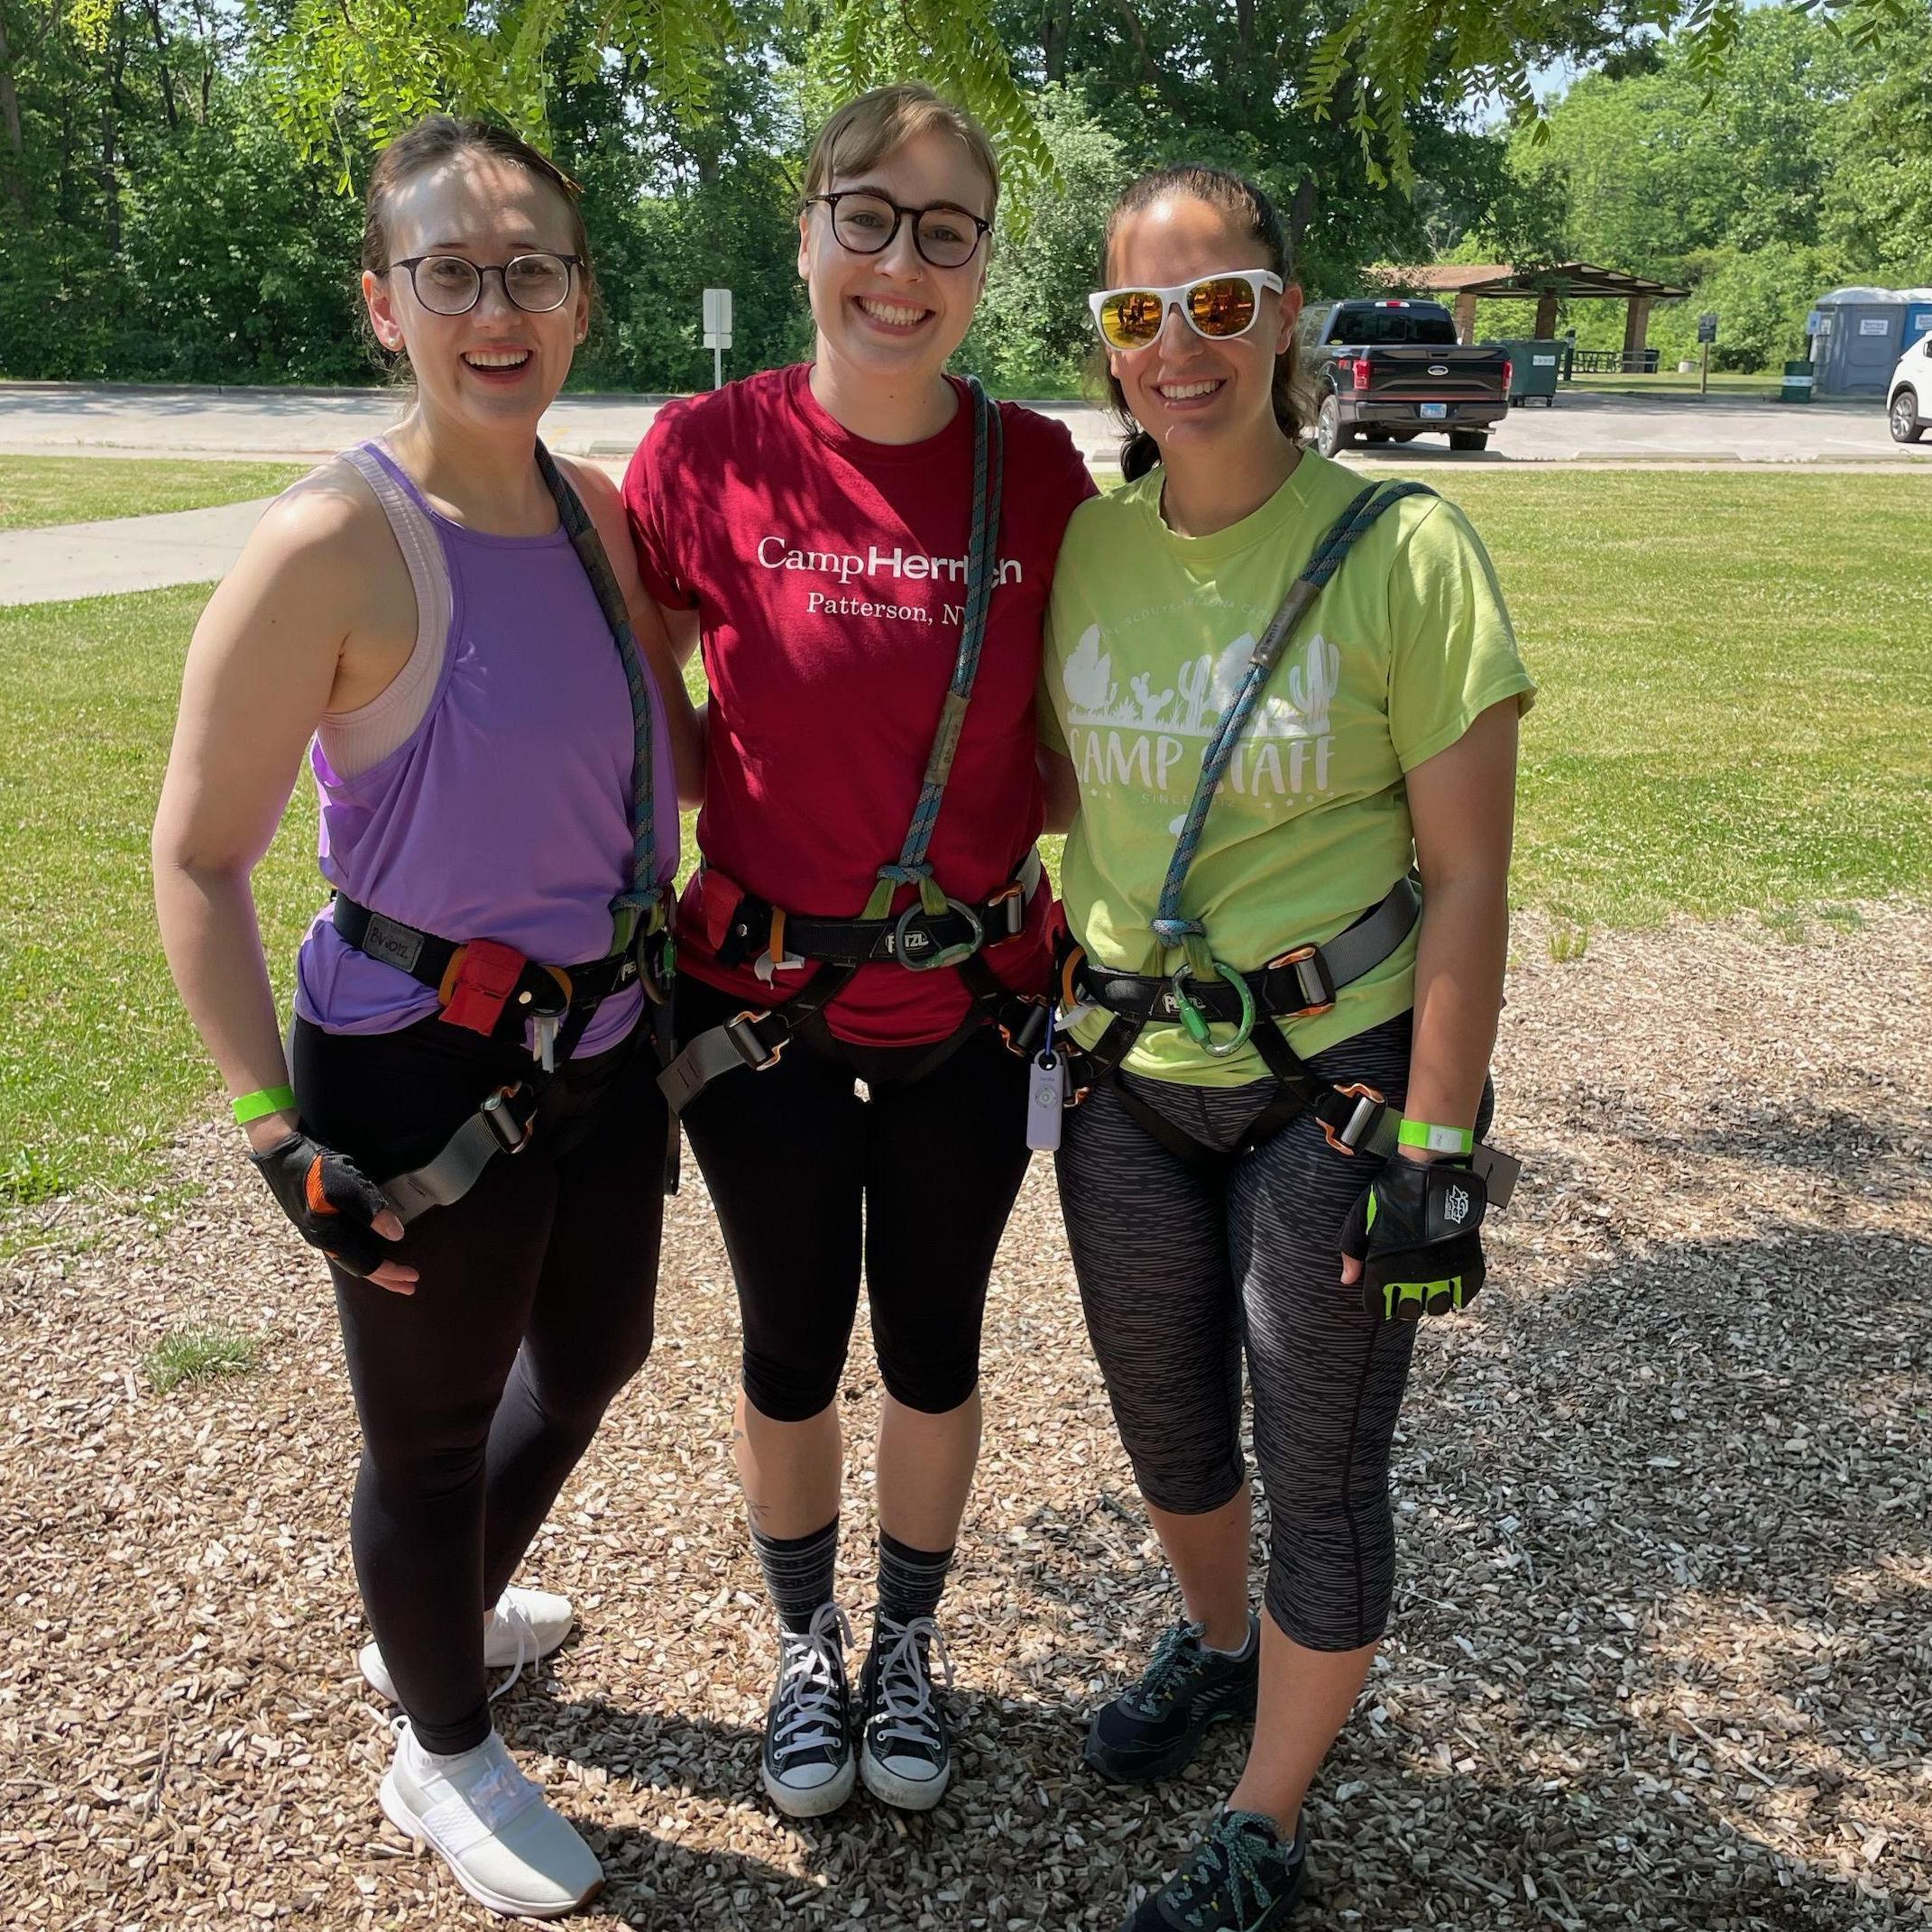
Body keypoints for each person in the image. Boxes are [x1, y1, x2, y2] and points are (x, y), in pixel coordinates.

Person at [152, 116, 695, 1919]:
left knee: (599, 1355)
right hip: (413, 1066)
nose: (495, 304)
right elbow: (197, 857)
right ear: (385, 304)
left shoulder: (600, 515)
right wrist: (269, 1127)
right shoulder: (330, 543)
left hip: (606, 1045)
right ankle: (441, 1750)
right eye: (450, 271)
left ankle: (436, 1624)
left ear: (581, 297)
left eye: (530, 265)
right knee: (431, 1435)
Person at [1039, 164, 1535, 1929]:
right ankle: (1221, 1645)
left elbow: (1468, 880)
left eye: (1225, 305)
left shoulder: (1408, 552)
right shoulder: (1084, 549)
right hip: (1122, 1087)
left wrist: (1440, 1144)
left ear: (1288, 320)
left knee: (1316, 1463)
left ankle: (1266, 1816)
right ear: (1103, 347)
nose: (1183, 347)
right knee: (1171, 1436)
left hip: (1338, 1090)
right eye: (1137, 315)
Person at [621, 84, 1094, 1818]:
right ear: (809, 226)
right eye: (868, 218)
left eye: (944, 231)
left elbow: (1081, 726)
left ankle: (908, 1639)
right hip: (761, 1013)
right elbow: (638, 682)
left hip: (969, 1011)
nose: (901, 265)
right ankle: (803, 1640)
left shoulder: (1034, 468)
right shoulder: (705, 451)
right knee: (784, 1343)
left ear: (980, 264)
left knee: (937, 1345)